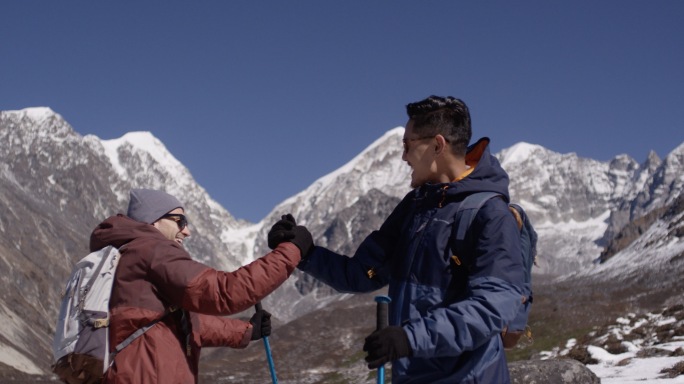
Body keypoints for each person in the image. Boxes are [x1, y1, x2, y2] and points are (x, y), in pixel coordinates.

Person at [269, 96, 525, 383]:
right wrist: (306, 251)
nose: (403, 156)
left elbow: (491, 307)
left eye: (408, 145)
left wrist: (410, 338)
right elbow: (360, 274)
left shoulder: (490, 214)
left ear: (437, 145)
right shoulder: (415, 208)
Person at [91, 188, 312, 383]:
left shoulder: (125, 254)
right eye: (180, 221)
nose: (187, 231)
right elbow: (224, 292)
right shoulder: (153, 251)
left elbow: (185, 324)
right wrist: (292, 250)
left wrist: (245, 331)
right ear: (154, 220)